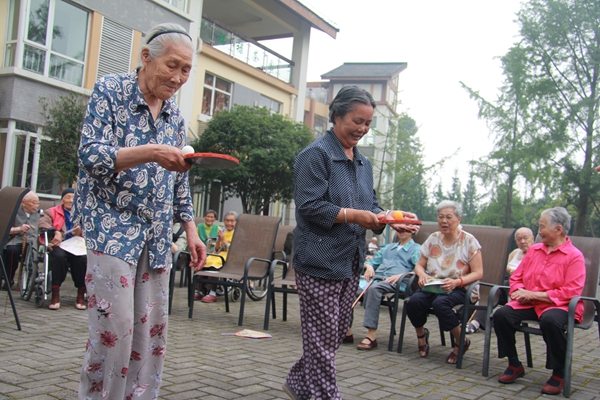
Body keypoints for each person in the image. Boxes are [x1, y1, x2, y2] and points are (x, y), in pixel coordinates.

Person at [74, 23, 206, 400]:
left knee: (150, 335)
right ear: (147, 57)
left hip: (157, 234)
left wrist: (191, 230)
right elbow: (91, 155)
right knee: (114, 330)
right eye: (172, 65)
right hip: (110, 226)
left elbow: (180, 180)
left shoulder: (175, 118)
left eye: (186, 69)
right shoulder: (111, 91)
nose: (178, 77)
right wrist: (151, 152)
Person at [282, 85, 417, 400]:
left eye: (367, 123)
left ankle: (298, 383)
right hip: (318, 260)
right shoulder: (315, 155)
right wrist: (354, 215)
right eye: (357, 121)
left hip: (350, 261)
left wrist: (388, 219)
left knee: (330, 336)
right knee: (323, 338)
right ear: (337, 115)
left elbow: (371, 206)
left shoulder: (363, 163)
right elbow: (309, 207)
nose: (362, 129)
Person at [493, 207, 585, 395]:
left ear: (558, 229)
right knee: (501, 315)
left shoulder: (574, 256)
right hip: (530, 302)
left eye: (542, 227)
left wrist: (534, 295)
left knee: (550, 321)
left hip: (559, 305)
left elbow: (571, 291)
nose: (539, 231)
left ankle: (559, 373)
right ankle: (514, 364)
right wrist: (518, 291)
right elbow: (516, 277)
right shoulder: (534, 250)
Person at [405, 200, 483, 365]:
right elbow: (419, 265)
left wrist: (457, 282)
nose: (444, 221)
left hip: (459, 287)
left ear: (458, 219)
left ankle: (461, 341)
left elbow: (478, 272)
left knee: (441, 304)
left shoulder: (469, 241)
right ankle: (421, 336)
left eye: (448, 217)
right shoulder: (433, 238)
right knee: (413, 302)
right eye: (441, 217)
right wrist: (422, 275)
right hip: (434, 285)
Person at [355, 230, 421, 350]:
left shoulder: (416, 249)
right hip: (377, 280)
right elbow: (372, 261)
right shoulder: (388, 248)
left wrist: (403, 275)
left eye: (406, 228)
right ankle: (346, 331)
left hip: (397, 283)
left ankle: (371, 335)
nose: (402, 231)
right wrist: (369, 266)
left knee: (374, 289)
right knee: (349, 287)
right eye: (400, 228)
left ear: (413, 230)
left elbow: (422, 270)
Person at [466, 227, 535, 334]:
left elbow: (531, 274)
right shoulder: (515, 252)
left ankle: (476, 322)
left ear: (532, 238)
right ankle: (476, 319)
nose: (522, 241)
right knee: (487, 287)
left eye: (525, 238)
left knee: (492, 291)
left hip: (518, 285)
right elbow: (503, 267)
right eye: (519, 239)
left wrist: (512, 271)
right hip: (504, 281)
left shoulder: (535, 254)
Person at [38, 188, 87, 310]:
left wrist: (80, 231)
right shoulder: (51, 211)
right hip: (59, 244)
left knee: (83, 259)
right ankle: (55, 295)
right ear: (62, 200)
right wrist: (55, 231)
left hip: (76, 244)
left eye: (73, 198)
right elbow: (42, 223)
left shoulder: (83, 213)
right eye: (67, 197)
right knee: (58, 257)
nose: (70, 200)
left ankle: (81, 295)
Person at [196, 211, 238, 303]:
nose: (229, 223)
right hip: (219, 254)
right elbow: (217, 249)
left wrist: (224, 240)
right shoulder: (222, 230)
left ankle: (212, 292)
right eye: (227, 220)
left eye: (232, 221)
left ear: (236, 222)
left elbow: (235, 250)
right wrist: (219, 240)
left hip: (231, 256)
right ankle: (200, 290)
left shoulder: (238, 233)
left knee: (215, 264)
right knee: (204, 261)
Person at [2, 192, 40, 290]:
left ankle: (33, 281)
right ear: (23, 202)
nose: (36, 206)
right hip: (17, 239)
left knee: (33, 253)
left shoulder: (40, 214)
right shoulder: (14, 212)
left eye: (37, 203)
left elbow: (45, 227)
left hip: (33, 241)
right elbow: (5, 230)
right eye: (33, 203)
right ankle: (8, 279)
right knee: (11, 250)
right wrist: (19, 229)